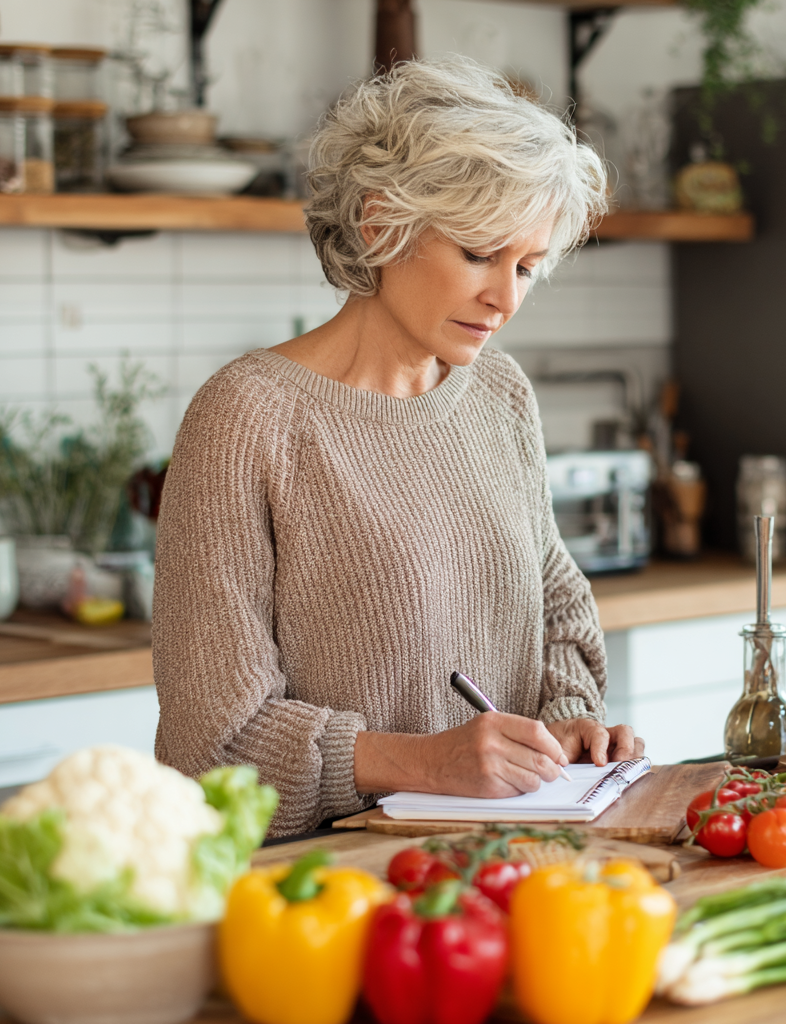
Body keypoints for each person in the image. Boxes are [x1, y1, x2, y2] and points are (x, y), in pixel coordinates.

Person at [153, 57, 645, 837]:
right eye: (481, 254)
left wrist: (569, 721)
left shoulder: (499, 394)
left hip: (513, 854)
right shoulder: (247, 417)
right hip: (325, 888)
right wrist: (425, 762)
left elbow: (555, 606)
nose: (506, 299)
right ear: (382, 224)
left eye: (526, 266)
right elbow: (210, 744)